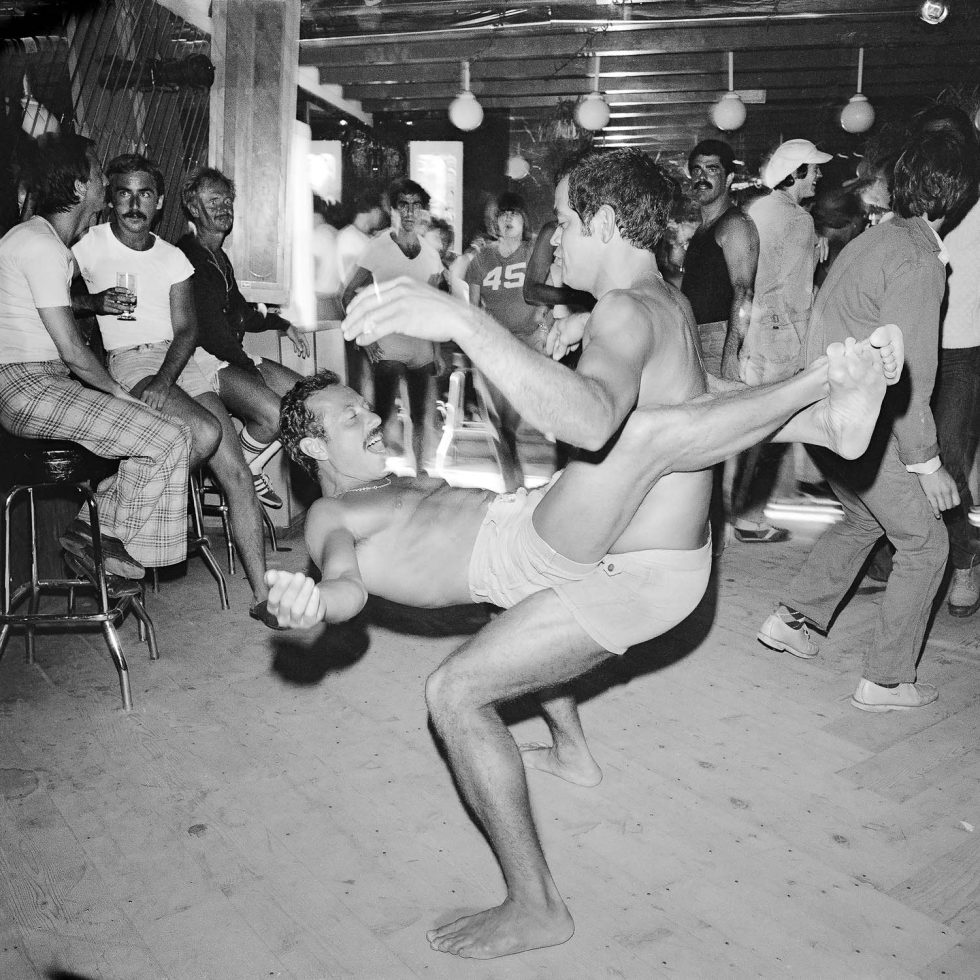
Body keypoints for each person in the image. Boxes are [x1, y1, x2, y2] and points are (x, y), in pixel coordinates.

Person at [329, 149, 901, 959]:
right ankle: (572, 751)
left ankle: (536, 907)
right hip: (656, 560)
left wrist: (461, 322)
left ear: (601, 221)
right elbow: (694, 403)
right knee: (634, 462)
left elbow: (593, 421)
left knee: (454, 692)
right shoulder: (661, 300)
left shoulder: (627, 311)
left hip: (632, 576)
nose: (555, 238)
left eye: (564, 221)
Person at [757, 130, 978, 712]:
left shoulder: (874, 240)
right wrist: (926, 463)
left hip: (827, 417)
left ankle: (792, 620)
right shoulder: (916, 261)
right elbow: (913, 376)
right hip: (866, 426)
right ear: (958, 196)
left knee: (861, 520)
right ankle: (886, 681)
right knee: (926, 545)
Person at [71, 153, 279, 627]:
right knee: (204, 432)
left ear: (160, 202)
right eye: (124, 193)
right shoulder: (89, 244)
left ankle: (263, 595)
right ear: (111, 199)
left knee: (236, 472)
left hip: (179, 359)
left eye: (144, 194)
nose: (134, 205)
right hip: (131, 358)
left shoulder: (172, 257)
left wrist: (167, 381)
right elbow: (46, 295)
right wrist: (92, 302)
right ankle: (102, 517)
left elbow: (186, 330)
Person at [0, 133, 191, 581]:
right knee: (167, 437)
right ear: (79, 186)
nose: (106, 181)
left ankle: (99, 539)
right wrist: (119, 392)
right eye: (98, 172)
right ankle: (101, 542)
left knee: (170, 435)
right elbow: (72, 349)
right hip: (26, 386)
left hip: (42, 382)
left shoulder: (45, 241)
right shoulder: (40, 244)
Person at [176, 166, 310, 511]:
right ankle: (235, 468)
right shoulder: (189, 256)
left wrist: (282, 323)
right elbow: (209, 332)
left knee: (308, 400)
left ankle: (247, 463)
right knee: (276, 414)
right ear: (193, 208)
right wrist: (249, 370)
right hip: (199, 358)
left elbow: (240, 311)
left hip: (228, 353)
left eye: (227, 201)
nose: (223, 208)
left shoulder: (218, 256)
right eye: (213, 201)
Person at [730, 138, 832, 544]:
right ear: (796, 173)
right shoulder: (799, 220)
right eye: (814, 169)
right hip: (782, 335)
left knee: (755, 429)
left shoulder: (757, 210)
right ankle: (750, 518)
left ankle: (743, 509)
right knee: (772, 433)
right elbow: (796, 295)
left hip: (754, 331)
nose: (819, 175)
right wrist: (807, 343)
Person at [916, 105, 980, 616]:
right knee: (906, 459)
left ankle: (963, 564)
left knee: (951, 463)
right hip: (912, 346)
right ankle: (903, 555)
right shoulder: (918, 193)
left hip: (961, 347)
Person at [341, 177, 443, 472]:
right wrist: (365, 337)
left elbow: (434, 306)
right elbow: (346, 295)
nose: (410, 212)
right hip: (387, 343)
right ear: (393, 209)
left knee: (421, 415)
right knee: (382, 414)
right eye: (403, 205)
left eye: (416, 205)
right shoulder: (377, 248)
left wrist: (436, 351)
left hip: (420, 345)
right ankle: (376, 471)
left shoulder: (431, 255)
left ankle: (419, 472)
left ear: (423, 211)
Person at [464, 191, 546, 490]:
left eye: (514, 212)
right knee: (499, 421)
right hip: (494, 347)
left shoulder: (534, 253)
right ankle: (512, 483)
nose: (508, 218)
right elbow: (473, 310)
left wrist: (544, 324)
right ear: (494, 221)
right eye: (503, 213)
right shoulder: (481, 260)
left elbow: (550, 293)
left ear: (525, 219)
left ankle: (526, 482)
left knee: (516, 417)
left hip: (528, 344)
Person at [681, 139, 758, 381]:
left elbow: (745, 292)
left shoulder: (734, 224)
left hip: (720, 339)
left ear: (730, 178)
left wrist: (732, 353)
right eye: (696, 170)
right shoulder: (704, 229)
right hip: (698, 338)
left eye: (712, 169)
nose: (702, 177)